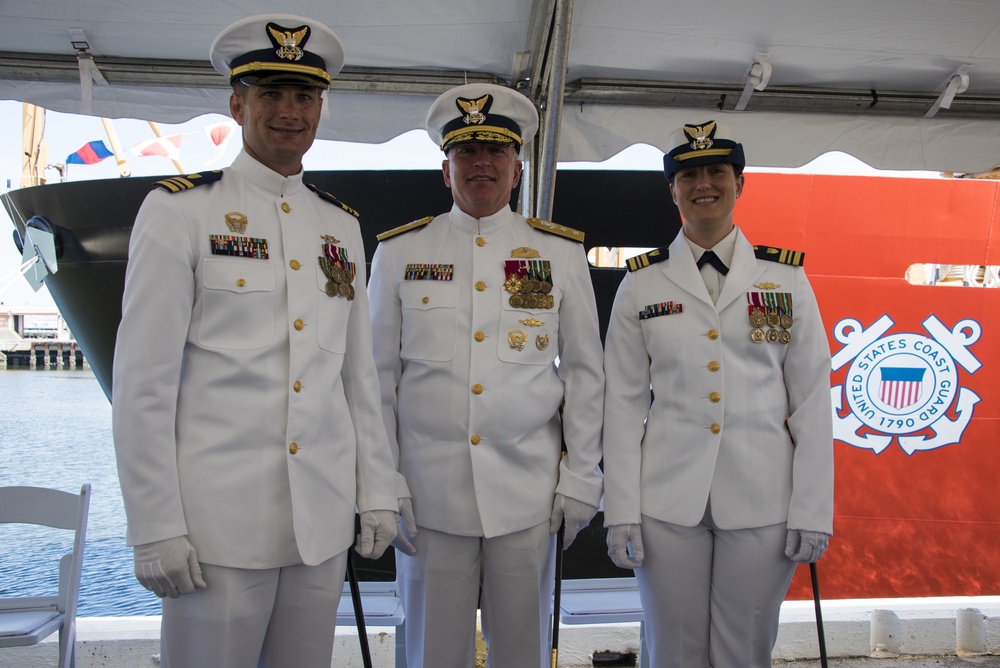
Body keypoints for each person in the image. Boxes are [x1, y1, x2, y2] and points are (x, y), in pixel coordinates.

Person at [110, 14, 398, 668]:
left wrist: (376, 488)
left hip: (318, 526)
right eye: (271, 94)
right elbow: (143, 385)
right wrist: (154, 526)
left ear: (322, 107)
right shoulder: (180, 210)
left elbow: (357, 377)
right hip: (216, 529)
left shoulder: (339, 227)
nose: (289, 111)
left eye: (304, 96)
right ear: (237, 104)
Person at [368, 83, 605, 668]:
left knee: (522, 652)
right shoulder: (400, 253)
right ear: (444, 171)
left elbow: (585, 374)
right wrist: (382, 481)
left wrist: (580, 477)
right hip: (427, 495)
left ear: (517, 169)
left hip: (527, 493)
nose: (481, 163)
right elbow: (375, 380)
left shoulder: (559, 254)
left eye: (495, 152)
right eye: (466, 152)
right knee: (430, 653)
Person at [602, 120, 834, 668]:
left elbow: (811, 399)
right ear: (672, 190)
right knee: (671, 647)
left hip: (762, 497)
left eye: (716, 171)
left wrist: (812, 508)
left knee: (745, 648)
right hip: (666, 500)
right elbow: (622, 404)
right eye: (689, 175)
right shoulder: (642, 282)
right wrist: (621, 508)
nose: (704, 183)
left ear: (739, 183)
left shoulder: (784, 280)